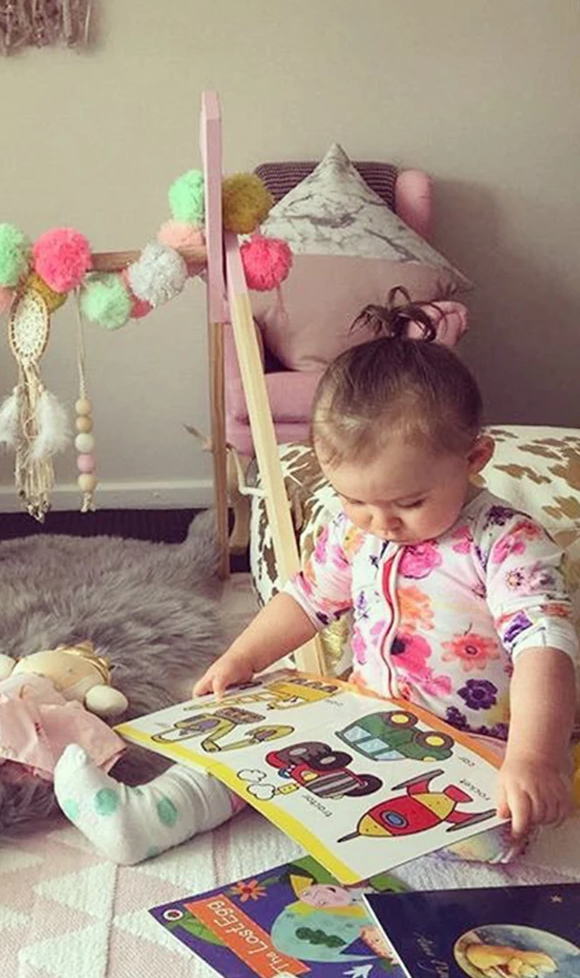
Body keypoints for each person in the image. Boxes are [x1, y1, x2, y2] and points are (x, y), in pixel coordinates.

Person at [54, 292, 578, 865]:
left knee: (494, 828)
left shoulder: (506, 543)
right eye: (356, 500)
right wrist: (243, 657)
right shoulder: (354, 532)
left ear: (474, 458)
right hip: (361, 713)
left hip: (469, 743)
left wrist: (534, 757)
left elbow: (543, 650)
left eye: (409, 502)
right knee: (251, 738)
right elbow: (306, 600)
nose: (381, 522)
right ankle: (150, 814)